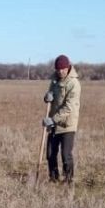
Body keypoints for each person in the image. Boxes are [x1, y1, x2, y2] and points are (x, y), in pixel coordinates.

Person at [42, 54, 81, 183]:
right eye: (58, 70)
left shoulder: (74, 84)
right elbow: (50, 96)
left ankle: (69, 180)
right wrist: (47, 97)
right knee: (50, 154)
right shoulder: (54, 80)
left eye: (63, 69)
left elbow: (69, 107)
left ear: (68, 67)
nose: (60, 72)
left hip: (67, 125)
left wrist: (53, 119)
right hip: (53, 123)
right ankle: (53, 178)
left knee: (66, 155)